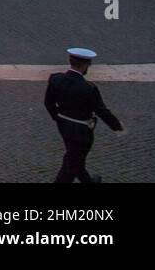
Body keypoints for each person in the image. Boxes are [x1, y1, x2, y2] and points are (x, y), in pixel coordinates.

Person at [43, 47, 123, 183]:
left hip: (63, 125)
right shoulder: (88, 88)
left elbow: (48, 103)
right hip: (82, 130)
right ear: (86, 65)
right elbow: (101, 110)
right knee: (71, 165)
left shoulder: (55, 79)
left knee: (74, 157)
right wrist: (117, 127)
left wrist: (57, 117)